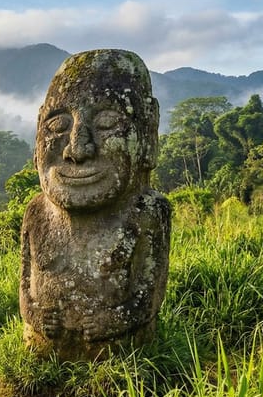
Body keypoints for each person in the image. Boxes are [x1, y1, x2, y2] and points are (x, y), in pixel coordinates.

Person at [20, 49, 171, 361]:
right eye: (57, 125)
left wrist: (114, 321)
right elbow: (25, 286)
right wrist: (34, 315)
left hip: (120, 365)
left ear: (147, 136)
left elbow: (149, 296)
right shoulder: (36, 213)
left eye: (107, 122)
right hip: (40, 358)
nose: (77, 150)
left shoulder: (147, 213)